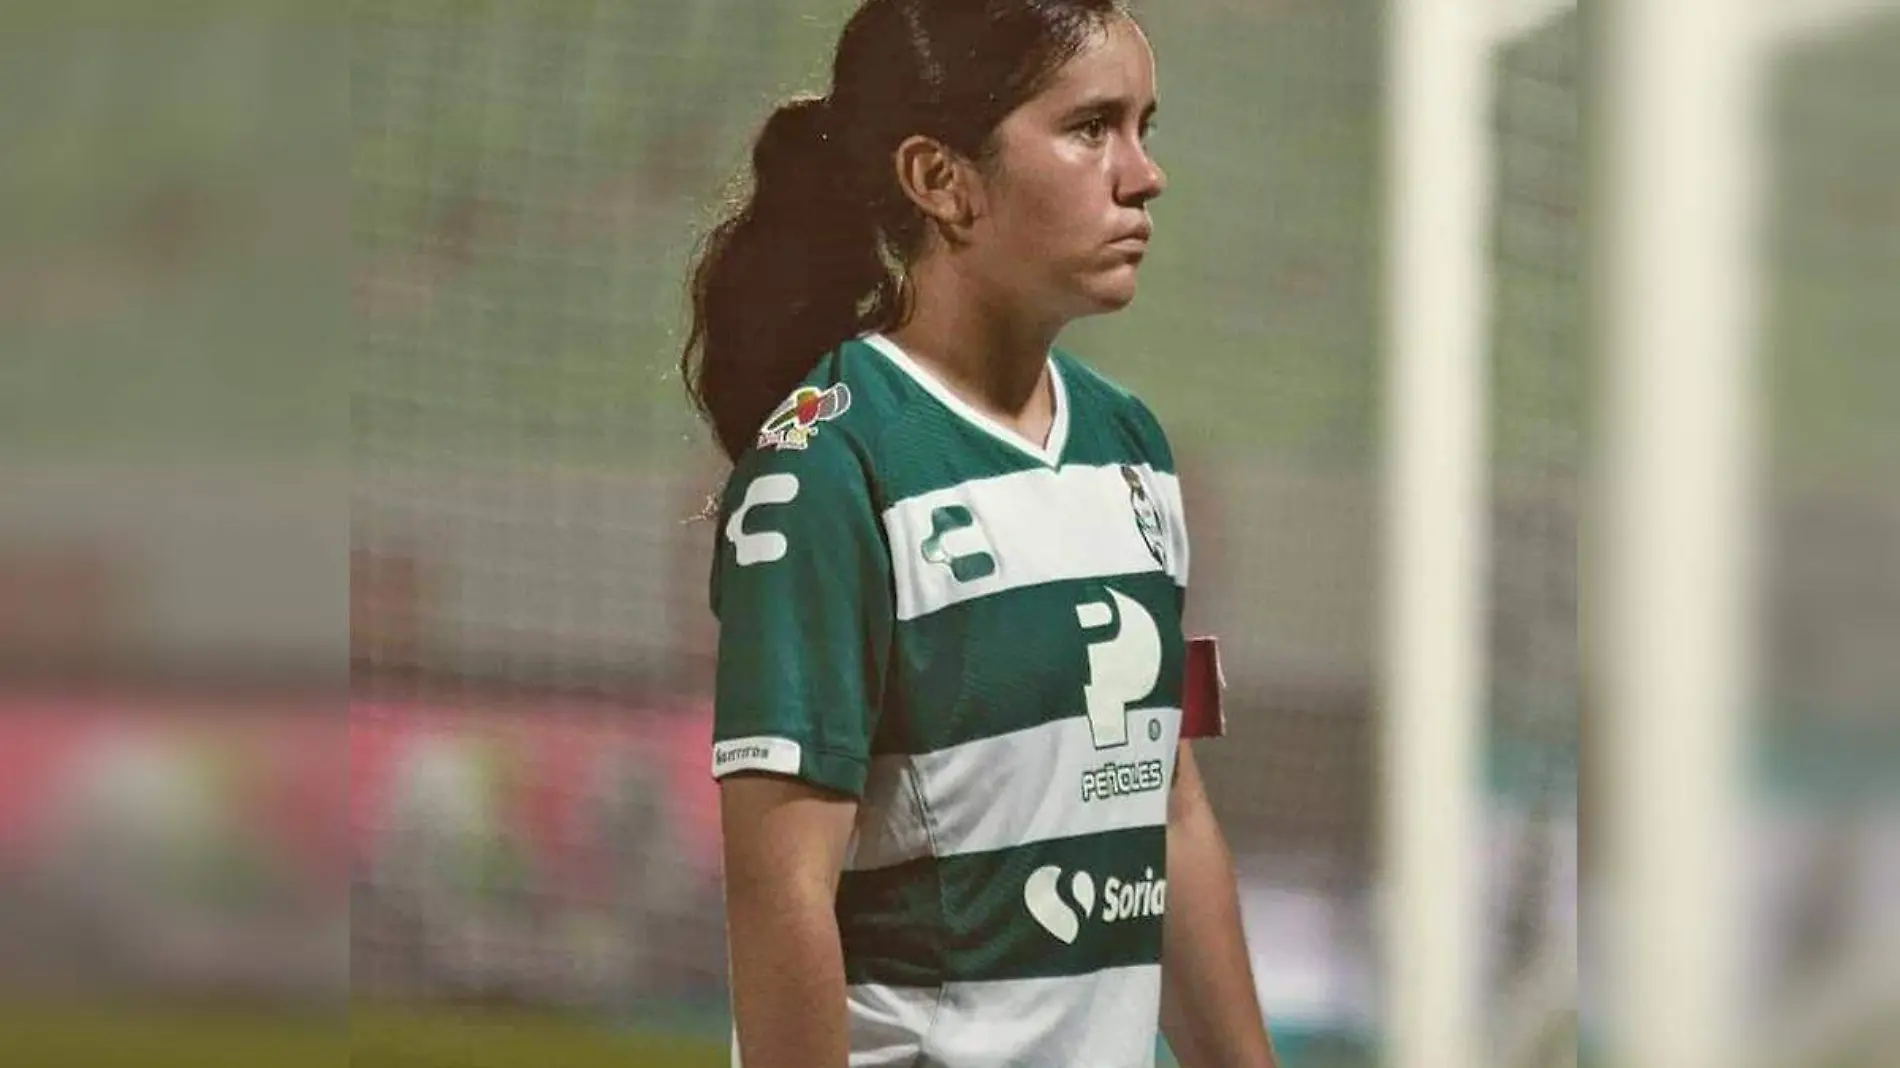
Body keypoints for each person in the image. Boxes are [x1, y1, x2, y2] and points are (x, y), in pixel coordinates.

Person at [679, 2, 1278, 1065]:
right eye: (1090, 128)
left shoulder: (1131, 447)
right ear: (940, 178)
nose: (1144, 176)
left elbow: (1169, 808)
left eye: (1143, 127)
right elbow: (779, 894)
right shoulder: (827, 470)